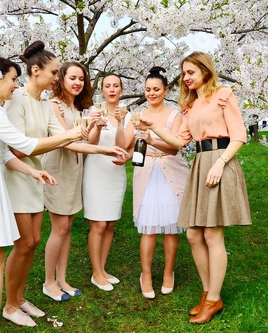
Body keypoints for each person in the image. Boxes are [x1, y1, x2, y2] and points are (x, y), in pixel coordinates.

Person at [0, 53, 83, 333]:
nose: (15, 85)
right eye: (12, 79)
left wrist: (33, 172)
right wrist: (71, 134)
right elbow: (24, 143)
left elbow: (4, 154)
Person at [3, 41, 125, 326]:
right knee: (25, 243)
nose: (58, 78)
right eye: (57, 73)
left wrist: (104, 149)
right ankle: (13, 302)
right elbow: (21, 147)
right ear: (37, 71)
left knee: (32, 242)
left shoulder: (44, 104)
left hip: (39, 175)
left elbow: (69, 139)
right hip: (24, 174)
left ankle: (20, 298)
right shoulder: (19, 98)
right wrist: (76, 135)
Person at [138, 52, 252, 323]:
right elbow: (178, 143)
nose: (186, 78)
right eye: (184, 74)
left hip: (220, 163)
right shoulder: (190, 105)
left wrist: (221, 163)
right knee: (192, 235)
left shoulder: (223, 95)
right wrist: (153, 126)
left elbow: (239, 136)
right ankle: (208, 292)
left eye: (191, 72)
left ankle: (213, 300)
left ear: (205, 71)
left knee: (212, 235)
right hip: (201, 163)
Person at [119, 67, 189, 298]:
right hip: (146, 173)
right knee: (148, 229)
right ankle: (146, 274)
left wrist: (152, 140)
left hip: (171, 172)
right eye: (148, 89)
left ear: (166, 90)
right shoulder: (137, 116)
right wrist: (122, 123)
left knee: (171, 229)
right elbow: (125, 143)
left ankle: (169, 272)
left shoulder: (175, 115)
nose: (151, 93)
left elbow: (174, 147)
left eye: (156, 89)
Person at [41, 61, 93, 301]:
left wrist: (95, 126)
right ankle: (49, 282)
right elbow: (66, 140)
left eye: (81, 79)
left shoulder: (78, 108)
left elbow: (87, 142)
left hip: (75, 170)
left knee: (67, 227)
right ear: (61, 79)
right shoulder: (54, 106)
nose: (77, 83)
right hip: (58, 170)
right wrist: (104, 151)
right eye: (72, 78)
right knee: (59, 228)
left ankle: (62, 279)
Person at [82, 73, 131, 291]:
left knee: (110, 223)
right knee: (98, 223)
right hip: (96, 171)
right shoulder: (94, 111)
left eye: (116, 86)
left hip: (115, 174)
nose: (111, 89)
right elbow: (90, 143)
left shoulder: (128, 115)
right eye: (107, 86)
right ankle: (95, 272)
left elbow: (123, 145)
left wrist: (120, 123)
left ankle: (102, 269)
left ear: (121, 89)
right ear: (102, 90)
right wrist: (99, 127)